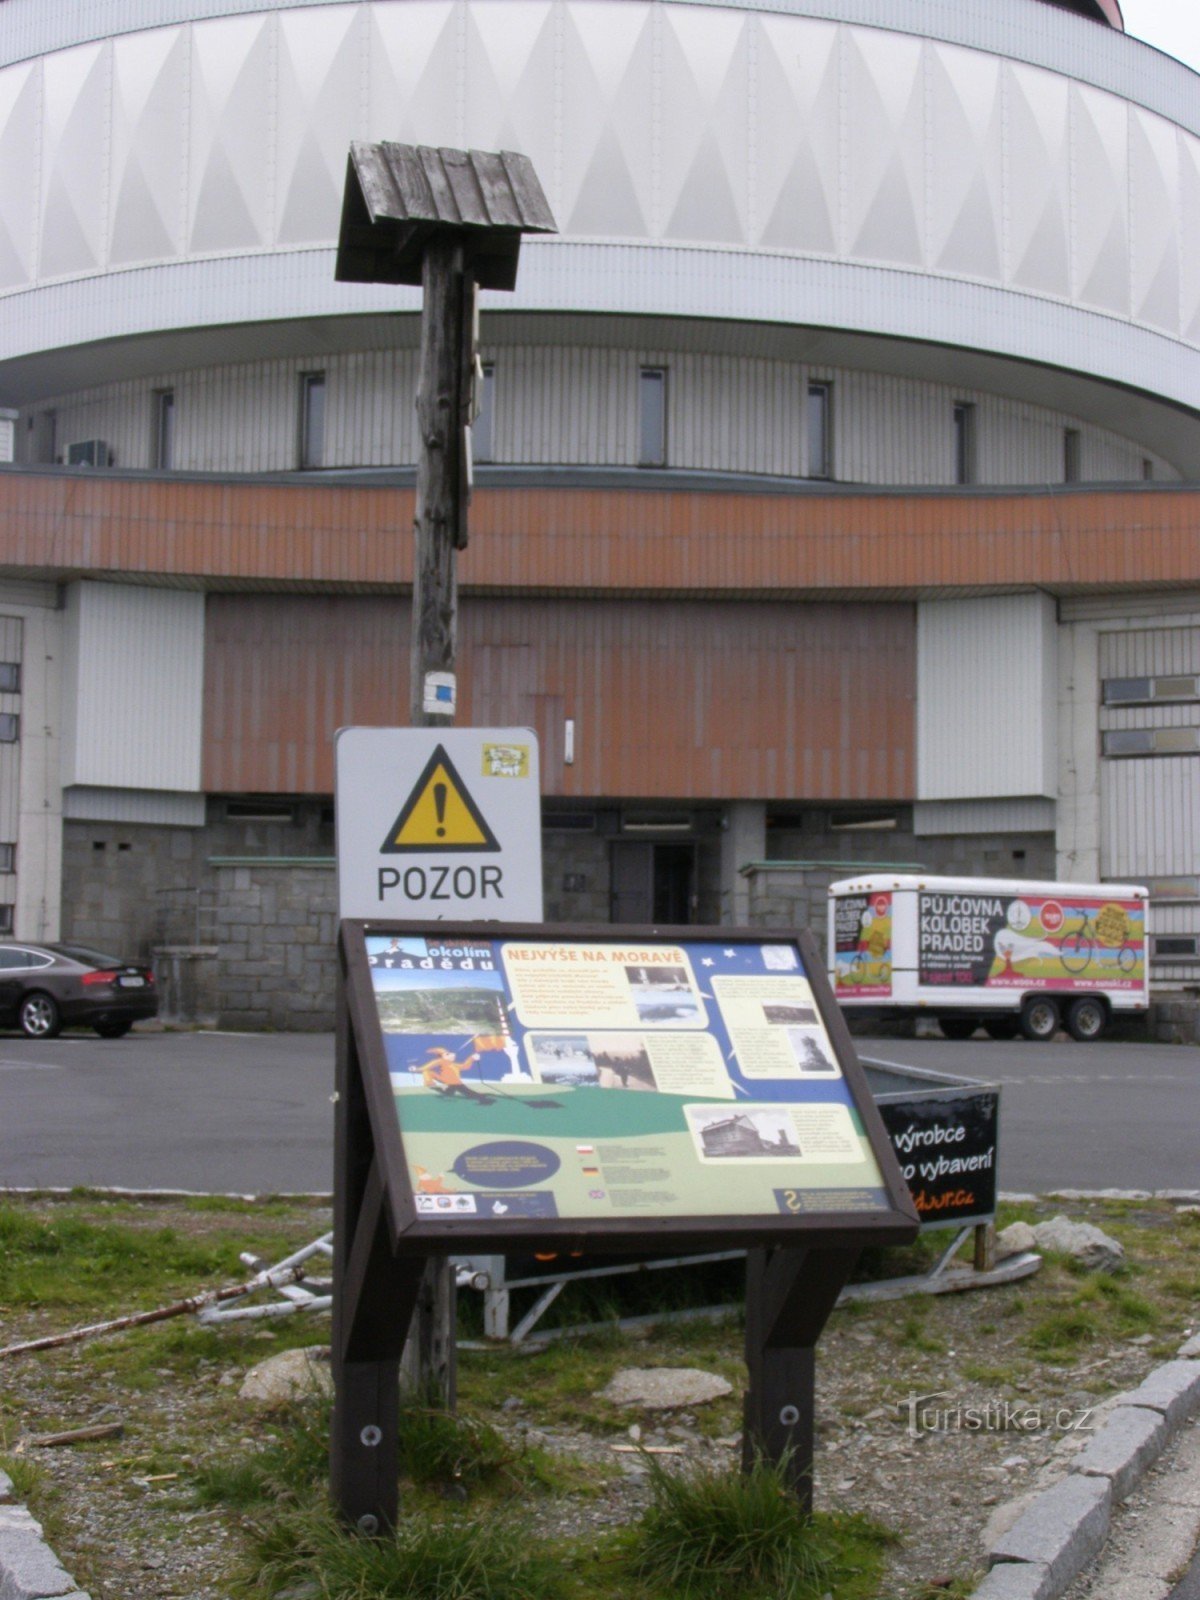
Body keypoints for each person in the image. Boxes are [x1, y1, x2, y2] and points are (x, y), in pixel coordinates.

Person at [419, 1046, 492, 1102]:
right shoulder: (441, 1061)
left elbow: (465, 1066)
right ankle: (482, 1099)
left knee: (450, 1093)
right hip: (449, 1081)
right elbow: (427, 1067)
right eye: (447, 1054)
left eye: (449, 1053)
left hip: (455, 1083)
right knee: (470, 1093)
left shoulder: (454, 1065)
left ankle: (445, 1092)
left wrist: (472, 1058)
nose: (451, 1054)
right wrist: (416, 1069)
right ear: (442, 1057)